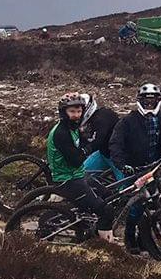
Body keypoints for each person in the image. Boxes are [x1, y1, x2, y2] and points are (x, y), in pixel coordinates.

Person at [109, 83, 161, 250]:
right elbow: (115, 144)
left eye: (152, 102)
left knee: (156, 200)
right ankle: (129, 236)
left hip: (154, 167)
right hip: (135, 168)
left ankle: (147, 235)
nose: (149, 105)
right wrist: (122, 165)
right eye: (146, 102)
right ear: (140, 101)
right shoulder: (127, 121)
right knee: (136, 204)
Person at [48, 93, 113, 241]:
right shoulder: (61, 133)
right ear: (63, 112)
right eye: (72, 112)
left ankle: (91, 228)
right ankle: (104, 247)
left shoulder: (72, 128)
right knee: (106, 210)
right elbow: (76, 160)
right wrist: (88, 149)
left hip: (77, 174)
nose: (76, 115)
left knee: (109, 196)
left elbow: (82, 144)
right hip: (67, 179)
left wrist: (88, 145)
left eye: (79, 111)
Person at [80, 93, 123, 181]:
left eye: (80, 111)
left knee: (125, 188)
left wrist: (82, 150)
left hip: (118, 157)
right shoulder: (97, 116)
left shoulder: (101, 119)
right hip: (104, 154)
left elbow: (97, 141)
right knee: (81, 175)